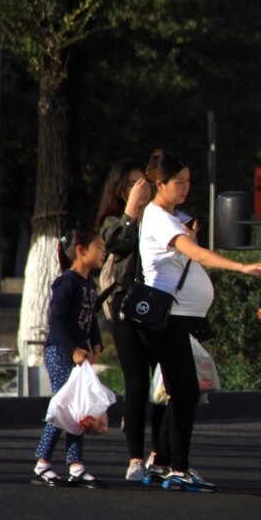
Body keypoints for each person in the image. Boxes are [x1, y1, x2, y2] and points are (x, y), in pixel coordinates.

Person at [138, 149, 261, 492]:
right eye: (178, 183)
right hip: (170, 318)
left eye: (188, 182)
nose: (184, 189)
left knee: (177, 391)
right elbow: (195, 254)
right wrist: (241, 266)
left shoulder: (168, 216)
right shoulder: (159, 218)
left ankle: (163, 463)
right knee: (185, 393)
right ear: (160, 184)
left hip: (179, 318)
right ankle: (177, 467)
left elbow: (183, 256)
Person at [95, 159, 164, 482]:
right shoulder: (114, 222)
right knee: (137, 382)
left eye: (146, 183)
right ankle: (135, 458)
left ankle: (159, 455)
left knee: (163, 383)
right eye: (136, 184)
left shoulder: (161, 217)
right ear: (123, 190)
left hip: (161, 305)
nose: (143, 188)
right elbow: (116, 244)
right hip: (127, 306)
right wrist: (132, 213)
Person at [32, 228, 107, 489]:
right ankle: (42, 464)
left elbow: (91, 316)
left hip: (78, 355)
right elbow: (57, 320)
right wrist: (74, 349)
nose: (103, 252)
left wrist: (96, 341)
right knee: (63, 408)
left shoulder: (89, 284)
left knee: (77, 411)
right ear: (81, 250)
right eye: (98, 246)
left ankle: (76, 467)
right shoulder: (68, 281)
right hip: (60, 352)